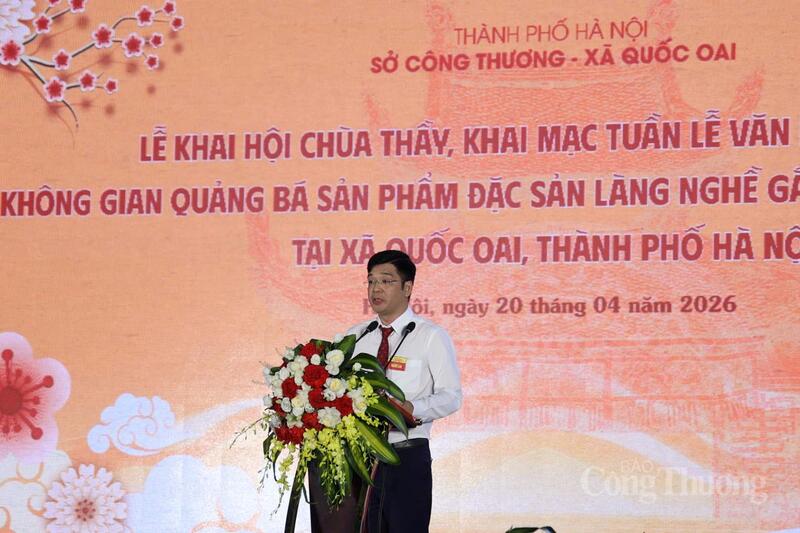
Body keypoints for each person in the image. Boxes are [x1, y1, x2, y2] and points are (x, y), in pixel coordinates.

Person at [347, 249, 462, 533]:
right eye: (371, 281)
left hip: (406, 457)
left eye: (386, 281)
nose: (376, 289)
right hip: (359, 459)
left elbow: (451, 396)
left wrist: (413, 408)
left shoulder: (430, 336)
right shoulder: (355, 337)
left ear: (407, 288)